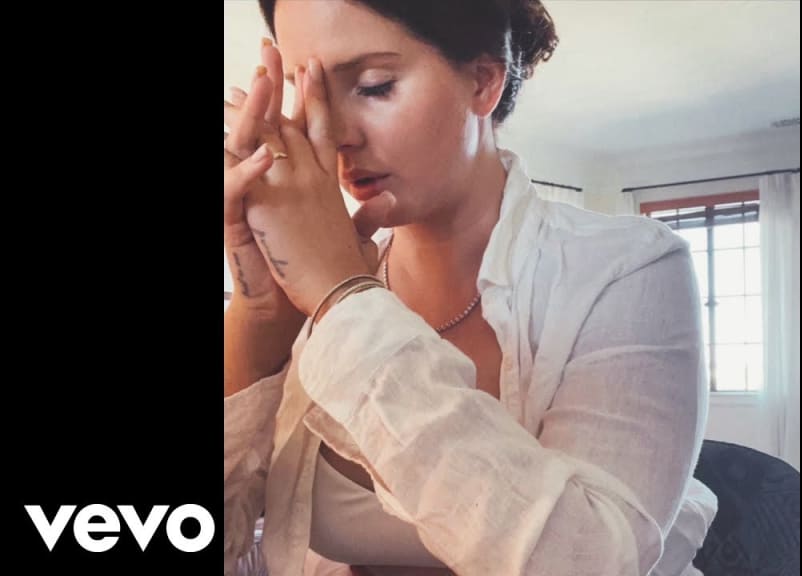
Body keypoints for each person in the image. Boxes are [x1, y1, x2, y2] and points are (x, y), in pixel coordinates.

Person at [223, 1, 718, 574]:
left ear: (483, 81)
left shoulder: (628, 268)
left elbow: (591, 559)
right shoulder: (305, 298)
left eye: (375, 86)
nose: (334, 136)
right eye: (309, 95)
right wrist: (260, 317)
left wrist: (342, 300)